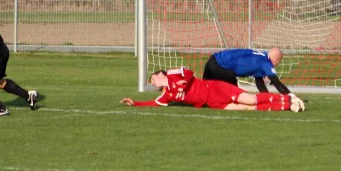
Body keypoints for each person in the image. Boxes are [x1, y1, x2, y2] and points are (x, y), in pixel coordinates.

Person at [120, 66, 305, 112]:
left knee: (251, 99)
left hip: (214, 88)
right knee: (247, 108)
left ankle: (288, 99)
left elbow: (189, 71)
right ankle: (287, 106)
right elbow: (153, 103)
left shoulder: (173, 74)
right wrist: (134, 103)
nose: (153, 83)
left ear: (161, 75)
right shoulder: (167, 95)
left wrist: (183, 81)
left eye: (153, 79)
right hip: (211, 102)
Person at [202, 48, 291, 94]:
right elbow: (276, 82)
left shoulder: (259, 56)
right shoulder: (266, 63)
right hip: (220, 67)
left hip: (211, 60)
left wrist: (267, 97)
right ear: (276, 60)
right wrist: (291, 97)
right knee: (237, 96)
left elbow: (260, 84)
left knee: (204, 90)